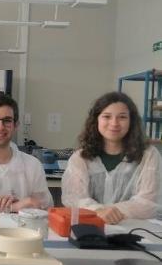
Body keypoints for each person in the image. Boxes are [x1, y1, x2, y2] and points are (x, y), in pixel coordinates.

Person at [62, 91, 162, 224]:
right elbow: (74, 198)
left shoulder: (149, 155)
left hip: (137, 231)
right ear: (96, 120)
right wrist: (98, 211)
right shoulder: (80, 158)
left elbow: (148, 202)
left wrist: (110, 211)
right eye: (107, 116)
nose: (114, 123)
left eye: (122, 117)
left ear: (131, 121)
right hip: (91, 229)